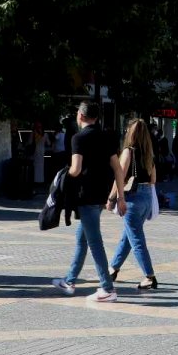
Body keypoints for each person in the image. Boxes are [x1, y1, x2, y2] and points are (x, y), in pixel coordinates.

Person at [50, 101, 126, 301]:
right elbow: (118, 169)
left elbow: (75, 170)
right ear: (96, 117)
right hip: (101, 196)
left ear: (81, 116)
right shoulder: (107, 137)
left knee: (94, 243)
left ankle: (107, 288)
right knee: (82, 239)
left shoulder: (78, 138)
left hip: (86, 196)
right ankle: (69, 280)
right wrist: (121, 197)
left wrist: (62, 176)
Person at [106, 118, 159, 291]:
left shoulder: (128, 152)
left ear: (131, 133)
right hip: (147, 198)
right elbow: (153, 179)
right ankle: (113, 268)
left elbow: (120, 177)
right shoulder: (149, 153)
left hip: (133, 198)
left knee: (136, 239)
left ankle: (149, 276)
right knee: (128, 235)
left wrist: (112, 198)